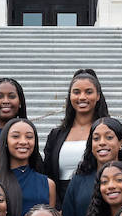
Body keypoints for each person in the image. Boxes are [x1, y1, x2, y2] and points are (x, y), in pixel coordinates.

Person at [44, 69, 109, 206]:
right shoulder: (56, 135)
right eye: (77, 92)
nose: (82, 97)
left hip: (99, 201)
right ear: (70, 96)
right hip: (62, 204)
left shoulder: (109, 131)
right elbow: (48, 174)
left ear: (98, 96)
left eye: (89, 92)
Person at [0, 118, 54, 216]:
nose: (23, 142)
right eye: (16, 136)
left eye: (29, 137)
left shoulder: (48, 184)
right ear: (5, 141)